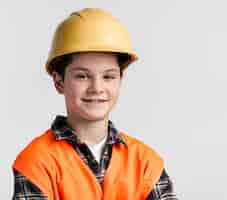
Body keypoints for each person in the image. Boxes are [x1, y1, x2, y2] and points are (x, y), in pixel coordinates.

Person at [12, 8, 178, 200]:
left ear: (120, 81)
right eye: (82, 76)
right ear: (59, 82)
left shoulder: (145, 163)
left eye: (108, 76)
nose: (96, 87)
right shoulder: (36, 163)